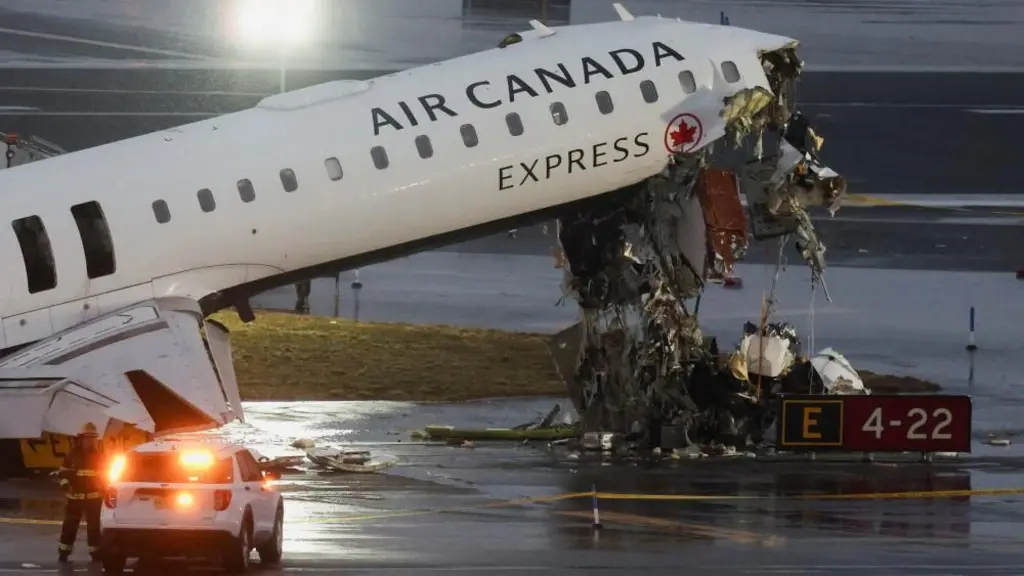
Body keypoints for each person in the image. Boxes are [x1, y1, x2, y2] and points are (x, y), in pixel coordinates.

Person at [57, 422, 106, 563]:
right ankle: (64, 551)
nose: (90, 441)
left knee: (94, 527)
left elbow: (105, 476)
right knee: (70, 526)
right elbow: (63, 474)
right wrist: (66, 486)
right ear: (81, 438)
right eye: (87, 438)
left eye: (93, 438)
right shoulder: (71, 456)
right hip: (75, 498)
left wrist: (105, 489)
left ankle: (95, 553)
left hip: (94, 498)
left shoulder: (99, 457)